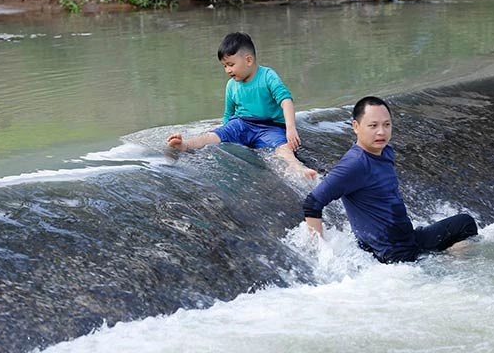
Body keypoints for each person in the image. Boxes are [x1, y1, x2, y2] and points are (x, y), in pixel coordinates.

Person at [303, 96, 477, 263]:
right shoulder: (355, 164)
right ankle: (449, 266)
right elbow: (313, 202)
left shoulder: (384, 150)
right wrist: (320, 252)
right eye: (373, 125)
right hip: (393, 253)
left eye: (386, 125)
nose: (381, 132)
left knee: (464, 224)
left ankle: (447, 261)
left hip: (408, 239)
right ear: (355, 126)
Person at [167, 31, 317, 180]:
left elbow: (286, 101)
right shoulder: (231, 85)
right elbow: (228, 114)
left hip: (270, 127)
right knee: (211, 136)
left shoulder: (267, 76)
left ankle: (299, 169)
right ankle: (185, 145)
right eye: (224, 66)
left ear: (248, 60)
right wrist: (224, 132)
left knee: (283, 148)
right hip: (241, 124)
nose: (228, 70)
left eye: (231, 65)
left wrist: (290, 129)